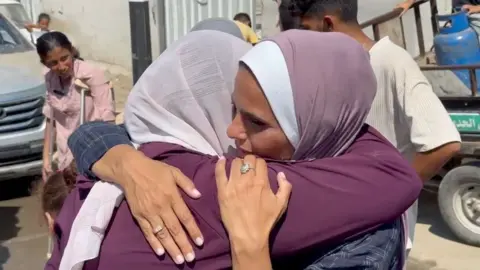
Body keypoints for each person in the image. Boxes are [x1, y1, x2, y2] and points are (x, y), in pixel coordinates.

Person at [48, 30, 421, 269]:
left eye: (254, 120)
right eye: (232, 108)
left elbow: (92, 134)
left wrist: (113, 153)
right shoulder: (234, 185)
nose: (231, 130)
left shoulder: (119, 171)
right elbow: (397, 177)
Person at [286, 0, 461, 256]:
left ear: (328, 25)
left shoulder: (391, 61)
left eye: (309, 30)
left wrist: (387, 197)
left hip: (379, 237)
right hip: (340, 229)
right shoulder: (335, 70)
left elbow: (443, 143)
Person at [37, 31, 115, 181]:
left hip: (91, 154)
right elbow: (50, 119)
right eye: (53, 63)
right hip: (64, 154)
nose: (61, 66)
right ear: (45, 63)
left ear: (71, 51)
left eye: (64, 58)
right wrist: (46, 158)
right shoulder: (49, 77)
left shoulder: (92, 74)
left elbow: (108, 120)